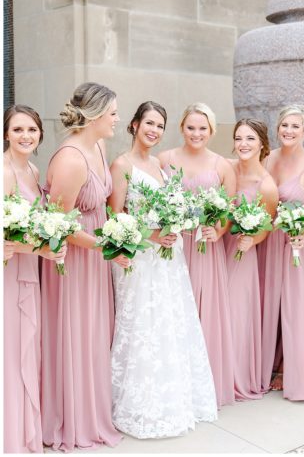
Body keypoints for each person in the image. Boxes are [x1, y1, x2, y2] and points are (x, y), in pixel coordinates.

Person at [107, 101, 217, 437]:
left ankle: (174, 399)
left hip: (169, 258)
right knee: (143, 323)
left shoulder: (160, 164)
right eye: (149, 123)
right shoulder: (122, 165)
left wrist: (176, 223)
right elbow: (116, 219)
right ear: (135, 124)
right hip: (140, 257)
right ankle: (139, 405)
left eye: (159, 126)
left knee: (170, 323)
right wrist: (153, 235)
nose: (154, 131)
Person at [41, 82, 127, 451]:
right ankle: (73, 419)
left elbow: (104, 205)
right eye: (112, 113)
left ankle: (94, 410)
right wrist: (106, 248)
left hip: (95, 255)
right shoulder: (70, 159)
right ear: (93, 115)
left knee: (95, 333)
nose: (117, 120)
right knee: (76, 333)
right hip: (73, 263)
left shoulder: (99, 145)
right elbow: (60, 226)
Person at [158, 103, 238, 407]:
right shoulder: (164, 160)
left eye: (202, 128)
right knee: (174, 310)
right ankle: (176, 385)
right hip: (174, 244)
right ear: (182, 128)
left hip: (205, 248)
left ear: (212, 131)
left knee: (204, 313)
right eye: (191, 127)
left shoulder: (221, 166)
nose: (196, 133)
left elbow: (228, 211)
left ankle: (205, 387)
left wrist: (217, 231)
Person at [3, 105, 65, 453]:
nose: (25, 136)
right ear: (5, 134)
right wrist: (41, 249)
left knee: (25, 348)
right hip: (10, 272)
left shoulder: (32, 168)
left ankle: (25, 428)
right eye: (17, 130)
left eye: (32, 130)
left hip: (29, 270)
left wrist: (46, 243)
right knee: (11, 351)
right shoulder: (5, 171)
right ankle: (10, 435)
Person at [262, 105, 304, 400]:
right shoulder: (268, 158)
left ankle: (295, 374)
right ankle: (271, 367)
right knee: (271, 304)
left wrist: (303, 233)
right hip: (270, 243)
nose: (289, 131)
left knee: (295, 308)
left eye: (295, 126)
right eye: (284, 125)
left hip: (297, 246)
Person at [226, 119, 279, 400]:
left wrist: (252, 239)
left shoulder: (266, 185)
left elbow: (266, 227)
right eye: (238, 138)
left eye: (249, 139)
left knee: (235, 315)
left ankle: (235, 376)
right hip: (215, 249)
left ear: (261, 144)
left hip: (240, 253)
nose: (243, 144)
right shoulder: (226, 169)